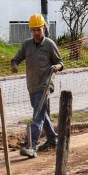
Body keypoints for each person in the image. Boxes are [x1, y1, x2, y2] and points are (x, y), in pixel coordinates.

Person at [11, 14, 64, 158]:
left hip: (45, 85)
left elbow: (60, 62)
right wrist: (14, 65)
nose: (35, 33)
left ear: (44, 28)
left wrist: (56, 67)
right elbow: (16, 58)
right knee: (42, 114)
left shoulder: (49, 44)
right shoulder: (27, 44)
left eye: (38, 30)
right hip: (32, 86)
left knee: (37, 116)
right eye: (33, 30)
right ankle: (53, 138)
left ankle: (31, 146)